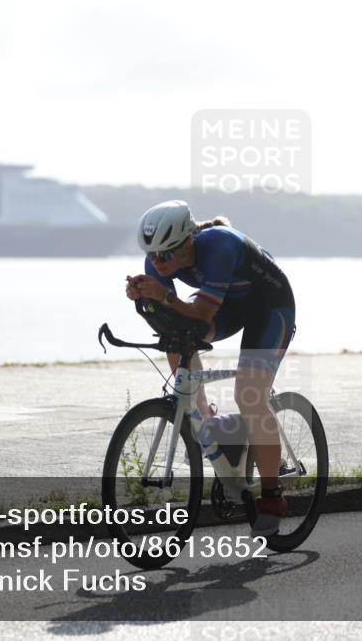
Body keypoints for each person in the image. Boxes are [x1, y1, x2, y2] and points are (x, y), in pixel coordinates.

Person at [124, 200, 296, 536]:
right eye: (152, 255)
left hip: (270, 307)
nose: (157, 262)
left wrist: (164, 296)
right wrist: (145, 301)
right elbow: (170, 317)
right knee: (175, 338)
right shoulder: (158, 260)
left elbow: (202, 313)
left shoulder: (219, 245)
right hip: (228, 306)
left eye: (165, 255)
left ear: (187, 243)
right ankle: (207, 419)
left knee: (249, 396)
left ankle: (273, 497)